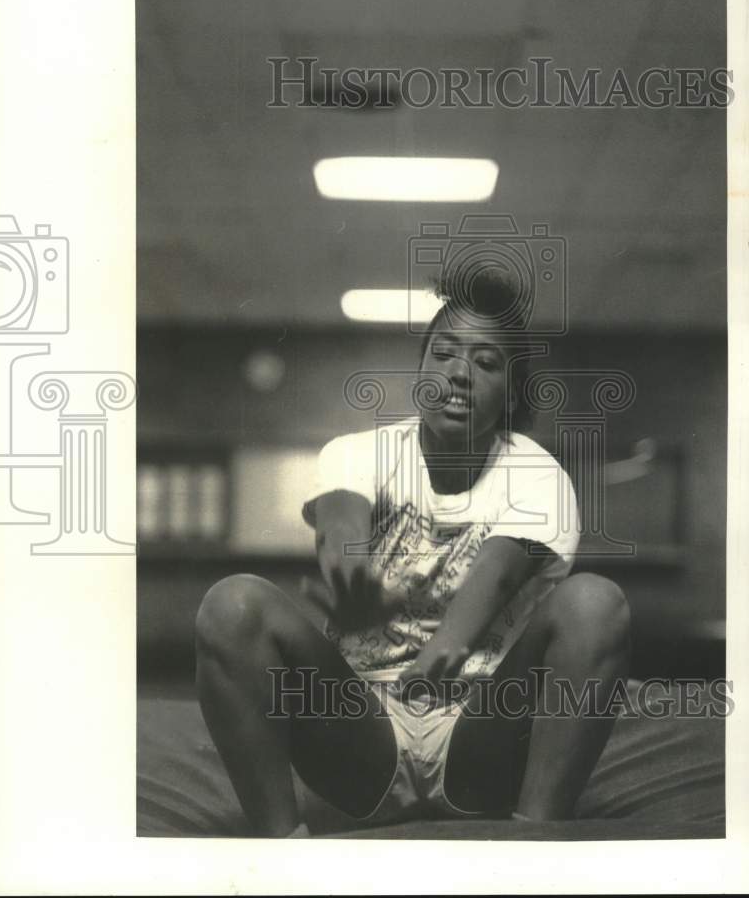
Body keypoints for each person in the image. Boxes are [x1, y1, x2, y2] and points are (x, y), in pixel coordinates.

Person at [194, 268, 631, 837]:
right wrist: (351, 573)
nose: (459, 373)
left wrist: (444, 652)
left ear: (512, 392)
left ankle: (535, 836)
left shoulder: (535, 474)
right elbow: (342, 514)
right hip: (360, 733)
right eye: (444, 353)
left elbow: (500, 569)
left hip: (484, 734)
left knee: (597, 602)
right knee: (231, 605)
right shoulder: (360, 452)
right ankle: (284, 850)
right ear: (420, 371)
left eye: (486, 362)